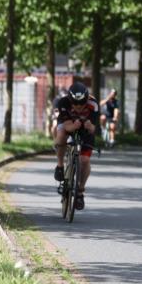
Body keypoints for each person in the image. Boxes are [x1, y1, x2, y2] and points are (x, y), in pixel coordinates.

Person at [53, 82, 100, 210]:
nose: (78, 107)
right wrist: (74, 126)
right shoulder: (63, 102)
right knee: (60, 135)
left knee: (84, 160)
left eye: (81, 104)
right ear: (70, 100)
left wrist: (90, 126)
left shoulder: (93, 104)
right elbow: (67, 125)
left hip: (85, 130)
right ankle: (60, 165)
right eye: (75, 104)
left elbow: (94, 128)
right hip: (69, 124)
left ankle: (80, 192)